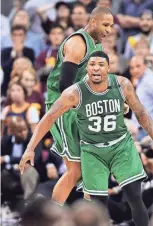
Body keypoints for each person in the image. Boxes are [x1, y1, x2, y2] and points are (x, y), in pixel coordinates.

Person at [19, 51, 153, 226]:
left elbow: (141, 113)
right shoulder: (74, 93)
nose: (96, 68)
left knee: (135, 198)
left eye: (101, 64)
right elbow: (48, 118)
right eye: (92, 64)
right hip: (93, 150)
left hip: (120, 146)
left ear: (109, 68)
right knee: (98, 206)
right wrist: (30, 148)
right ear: (87, 68)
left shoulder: (122, 85)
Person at [20, 7, 114, 207]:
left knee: (91, 165)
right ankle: (51, 214)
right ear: (94, 22)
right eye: (106, 25)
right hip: (63, 107)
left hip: (77, 105)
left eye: (112, 26)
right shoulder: (77, 44)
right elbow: (65, 87)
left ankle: (88, 213)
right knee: (75, 170)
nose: (109, 30)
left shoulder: (94, 45)